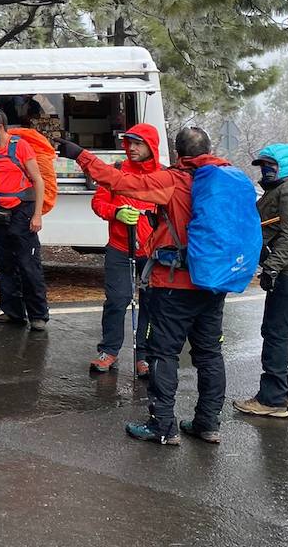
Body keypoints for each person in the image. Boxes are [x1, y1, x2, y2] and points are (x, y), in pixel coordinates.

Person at [57, 126, 230, 446]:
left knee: (164, 353)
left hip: (177, 282)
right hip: (215, 281)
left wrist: (80, 155)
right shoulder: (228, 179)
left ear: (178, 154)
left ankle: (163, 426)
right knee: (209, 354)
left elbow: (121, 183)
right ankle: (208, 423)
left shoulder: (172, 180)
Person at [233, 143, 288, 419]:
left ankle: (271, 399)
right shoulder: (285, 189)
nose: (266, 170)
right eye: (262, 166)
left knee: (275, 334)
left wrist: (271, 268)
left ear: (285, 165)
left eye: (270, 165)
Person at [88, 125, 161, 376]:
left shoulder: (162, 175)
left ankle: (144, 355)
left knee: (151, 304)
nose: (132, 148)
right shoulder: (116, 172)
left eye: (138, 143)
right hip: (120, 248)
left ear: (151, 146)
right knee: (117, 300)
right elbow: (98, 203)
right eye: (129, 142)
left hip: (152, 253)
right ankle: (109, 350)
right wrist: (115, 212)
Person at [0, 109, 49, 330]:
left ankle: (38, 315)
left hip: (22, 210)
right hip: (0, 210)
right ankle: (13, 312)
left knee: (28, 264)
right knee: (5, 263)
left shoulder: (20, 147)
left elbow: (38, 181)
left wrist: (37, 215)